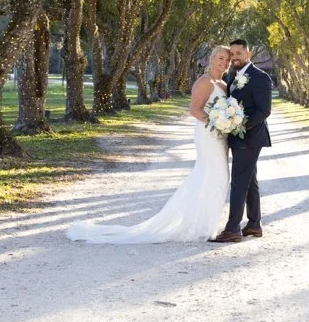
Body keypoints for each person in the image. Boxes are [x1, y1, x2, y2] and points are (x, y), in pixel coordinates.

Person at [65, 45, 231, 244]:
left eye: (227, 60)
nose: (224, 62)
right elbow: (194, 110)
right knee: (211, 175)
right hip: (208, 134)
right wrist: (217, 123)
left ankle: (204, 224)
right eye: (221, 58)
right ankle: (198, 227)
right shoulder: (204, 82)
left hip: (219, 136)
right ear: (211, 59)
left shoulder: (222, 84)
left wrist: (226, 123)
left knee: (218, 177)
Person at [209, 39, 273, 243]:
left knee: (239, 181)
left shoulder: (259, 77)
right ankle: (254, 224)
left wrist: (240, 126)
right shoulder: (232, 77)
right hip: (237, 136)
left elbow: (264, 110)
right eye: (232, 54)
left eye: (239, 53)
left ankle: (233, 228)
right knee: (249, 180)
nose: (235, 57)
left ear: (248, 54)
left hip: (250, 137)